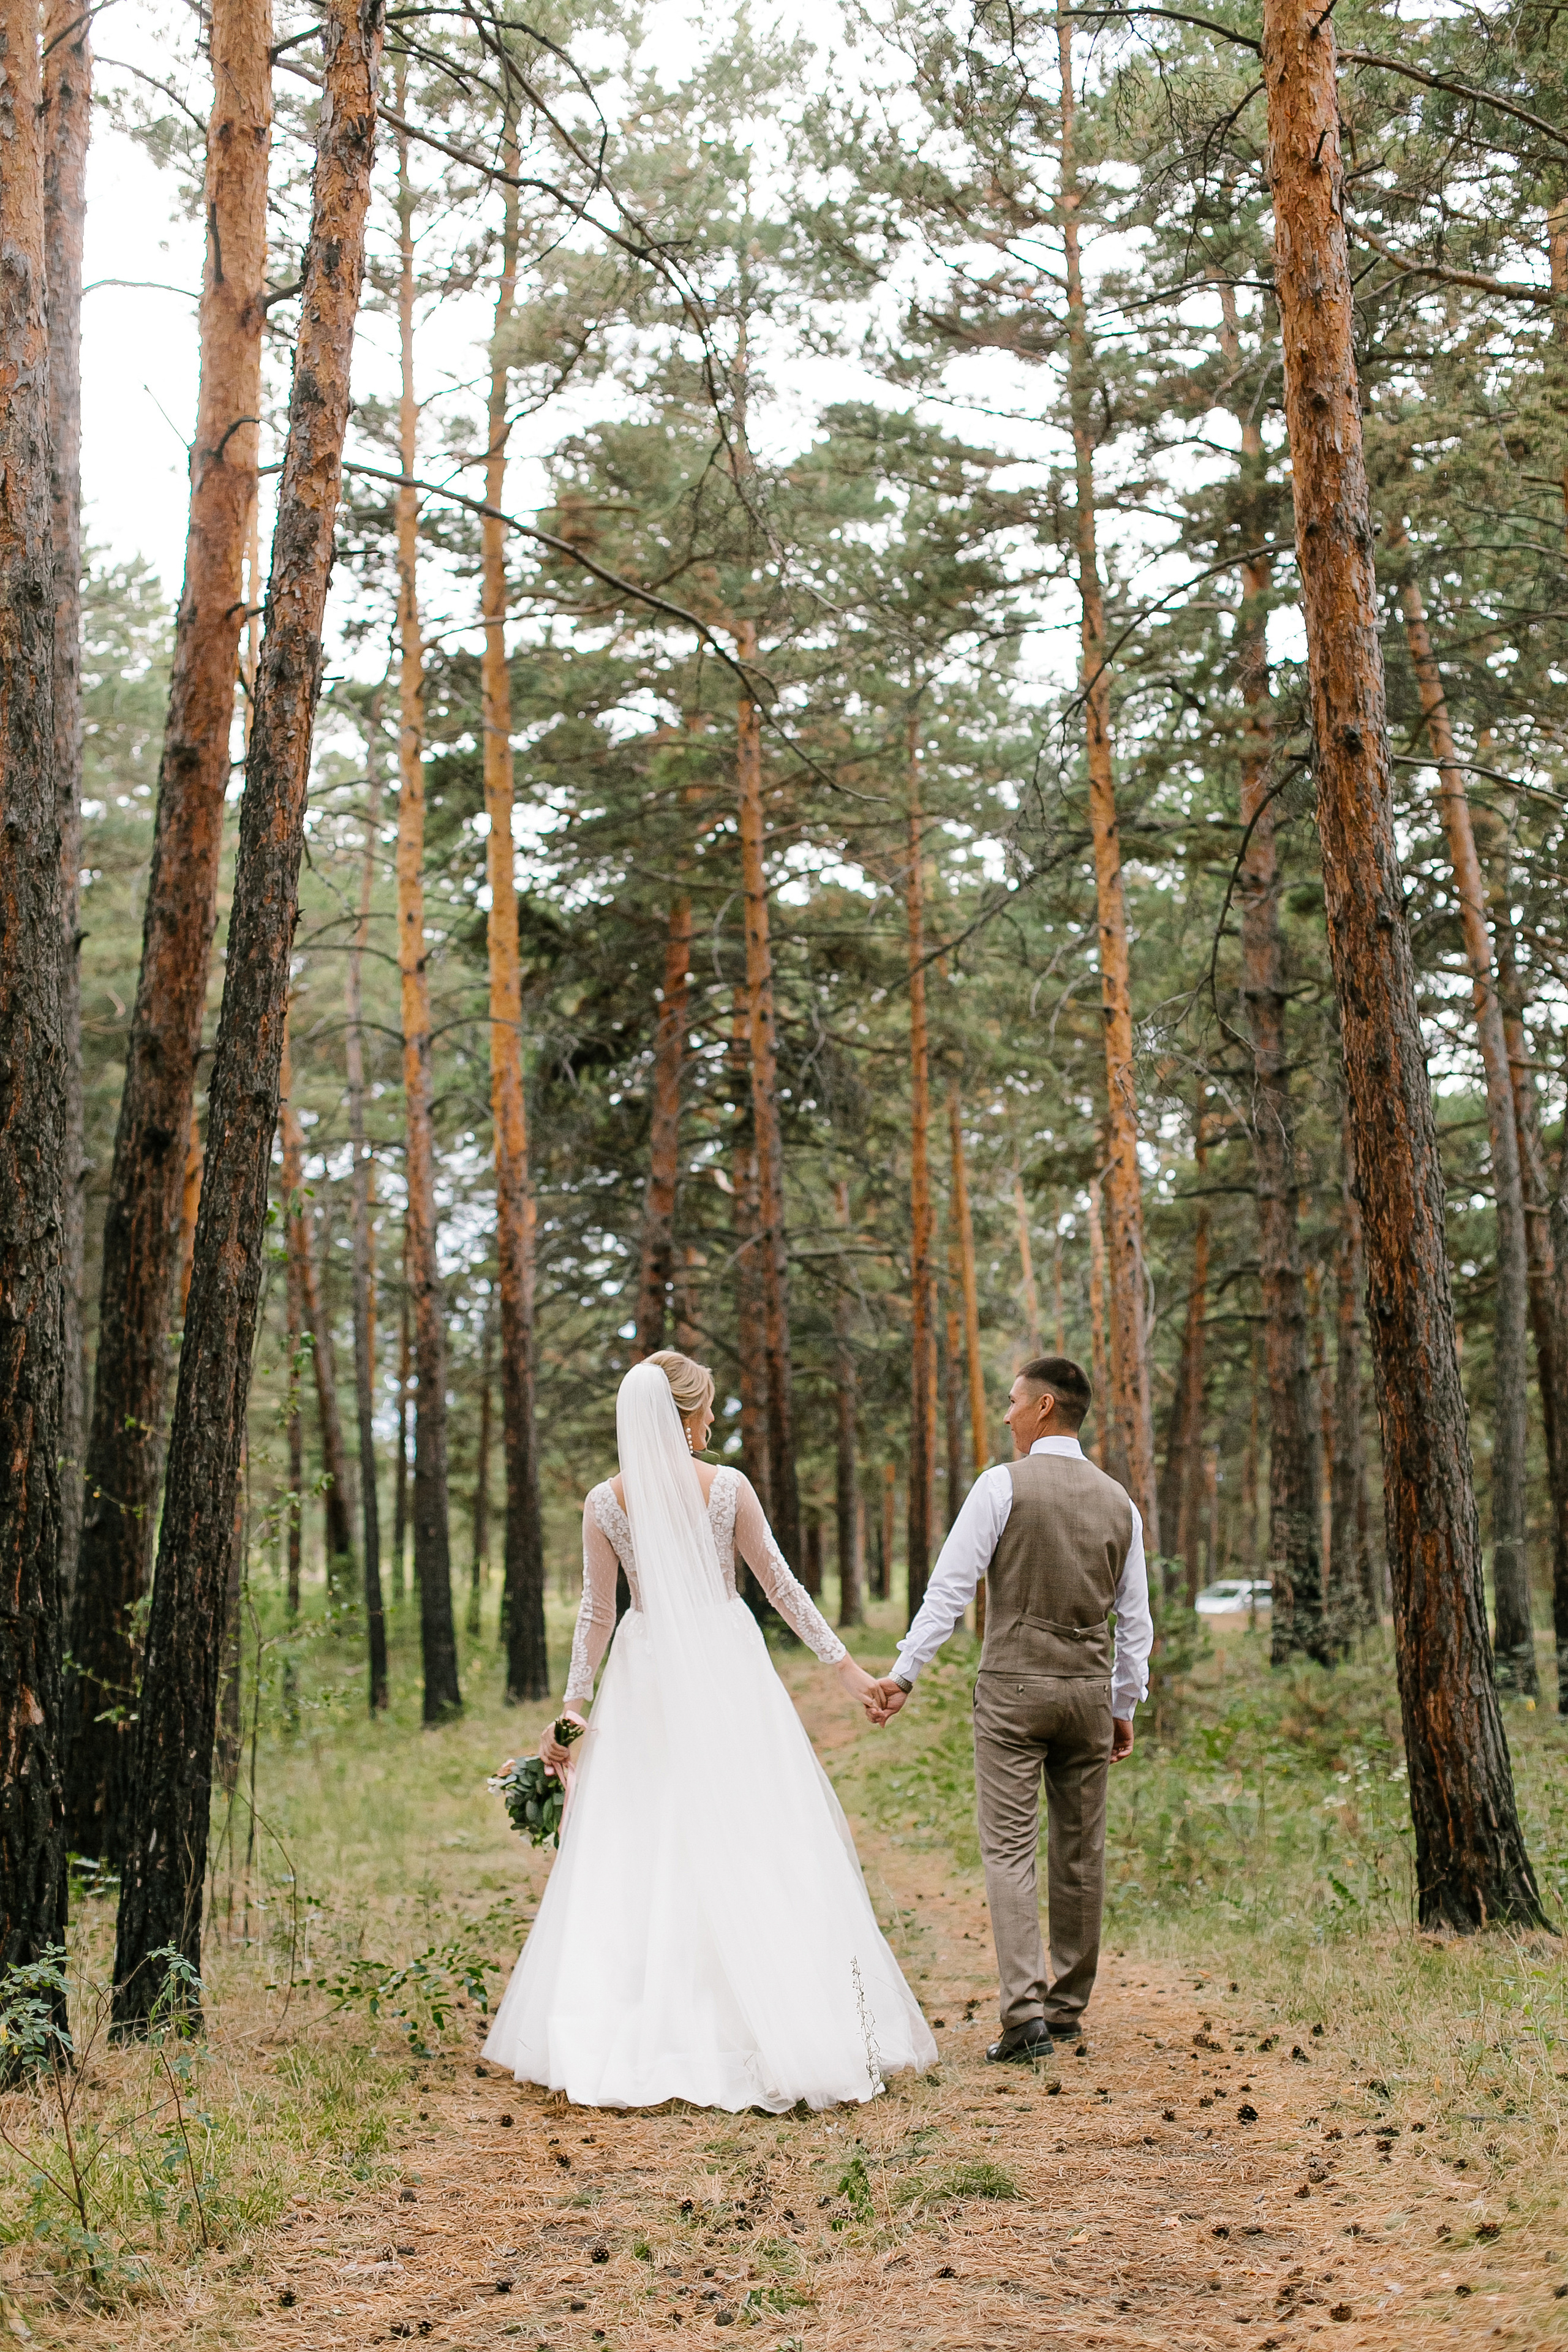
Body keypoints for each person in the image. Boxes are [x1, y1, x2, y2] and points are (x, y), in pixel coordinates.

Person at [483, 1351, 936, 2112]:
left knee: (648, 1831)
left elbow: (597, 1615)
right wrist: (850, 1672)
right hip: (725, 1662)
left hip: (645, 1666)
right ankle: (766, 2016)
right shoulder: (726, 1488)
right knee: (746, 1825)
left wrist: (574, 1709)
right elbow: (781, 1588)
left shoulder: (605, 1501)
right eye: (708, 1410)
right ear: (685, 1415)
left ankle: (650, 2018)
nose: (713, 1422)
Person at [869, 1355, 1152, 2062]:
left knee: (1009, 1848)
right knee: (1081, 1850)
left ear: (1046, 1407)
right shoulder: (1120, 1502)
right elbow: (1136, 1621)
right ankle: (1066, 2011)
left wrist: (905, 1674)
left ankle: (1023, 2015)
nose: (1006, 1414)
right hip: (1087, 1696)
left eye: (1014, 1402)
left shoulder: (1001, 1486)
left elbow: (950, 1589)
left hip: (1012, 1695)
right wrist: (1122, 1704)